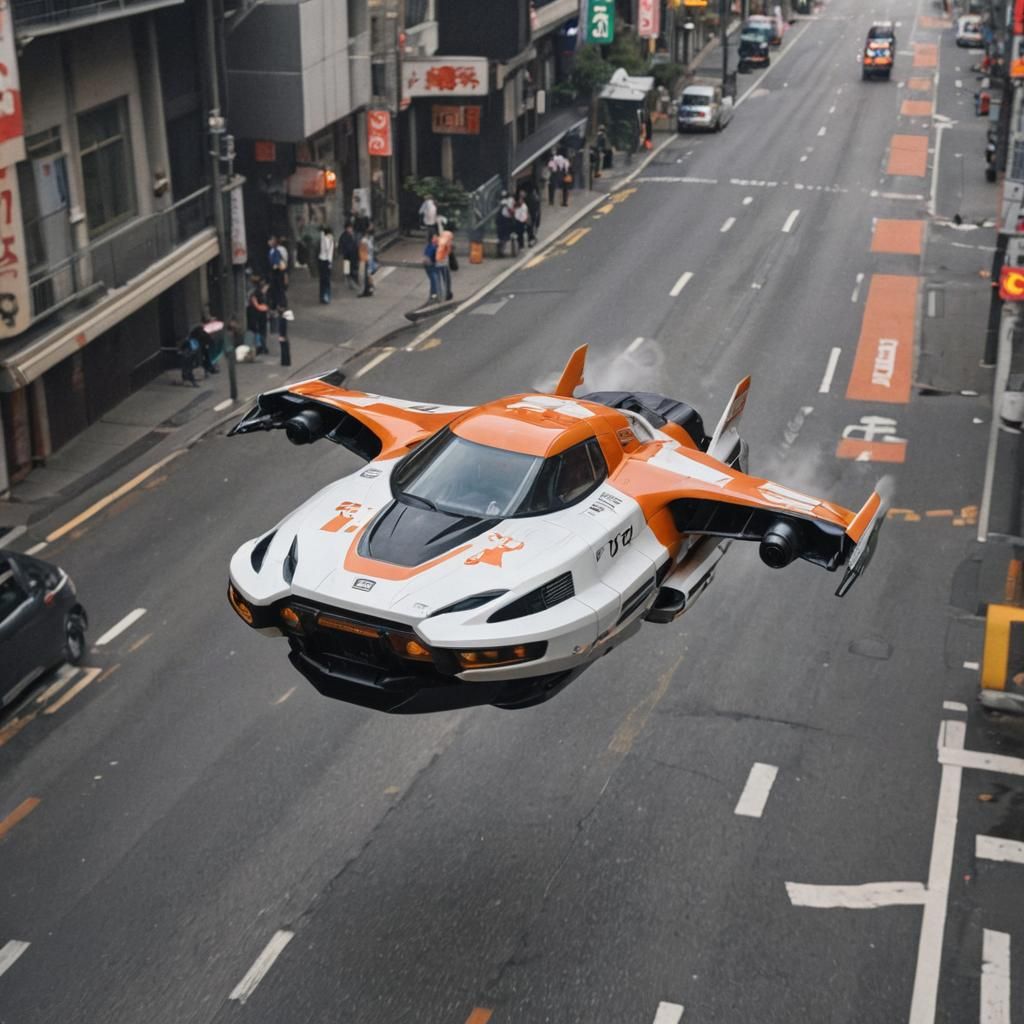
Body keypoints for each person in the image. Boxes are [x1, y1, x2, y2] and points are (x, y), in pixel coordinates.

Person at [246, 277, 270, 355]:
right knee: (260, 332)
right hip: (257, 317)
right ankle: (261, 347)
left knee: (259, 332)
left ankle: (261, 347)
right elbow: (262, 307)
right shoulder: (259, 294)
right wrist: (258, 306)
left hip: (259, 316)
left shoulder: (259, 294)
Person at [434, 217, 454, 302]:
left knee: (438, 279)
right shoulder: (447, 236)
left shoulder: (437, 235)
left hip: (437, 261)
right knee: (446, 279)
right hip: (444, 261)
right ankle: (446, 295)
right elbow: (448, 249)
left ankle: (439, 296)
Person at [267, 236, 289, 311]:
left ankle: (281, 304)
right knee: (276, 290)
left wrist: (277, 266)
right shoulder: (272, 250)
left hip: (278, 273)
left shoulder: (278, 251)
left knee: (280, 289)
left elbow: (281, 263)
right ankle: (276, 304)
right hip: (275, 273)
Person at [339, 222, 360, 291]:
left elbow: (356, 244)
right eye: (349, 228)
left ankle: (354, 282)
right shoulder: (344, 236)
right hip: (347, 256)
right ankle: (350, 283)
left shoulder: (353, 235)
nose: (351, 229)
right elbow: (343, 246)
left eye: (351, 228)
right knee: (348, 270)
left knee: (353, 269)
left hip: (353, 255)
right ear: (346, 228)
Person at [317, 225, 334, 304]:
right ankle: (324, 296)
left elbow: (330, 253)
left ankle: (325, 296)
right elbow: (328, 250)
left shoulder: (328, 239)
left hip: (324, 260)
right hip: (324, 260)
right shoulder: (325, 239)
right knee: (324, 280)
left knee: (325, 280)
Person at [358, 226, 375, 297]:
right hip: (369, 259)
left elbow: (362, 251)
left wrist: (362, 260)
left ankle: (365, 291)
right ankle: (370, 289)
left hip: (365, 259)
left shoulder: (364, 241)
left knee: (363, 276)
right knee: (368, 275)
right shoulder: (369, 240)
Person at [422, 232, 439, 302]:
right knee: (434, 280)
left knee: (434, 280)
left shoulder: (435, 245)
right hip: (430, 266)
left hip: (433, 265)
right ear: (432, 239)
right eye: (435, 237)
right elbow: (426, 258)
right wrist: (430, 264)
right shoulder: (431, 247)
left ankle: (433, 295)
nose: (437, 238)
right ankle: (433, 296)